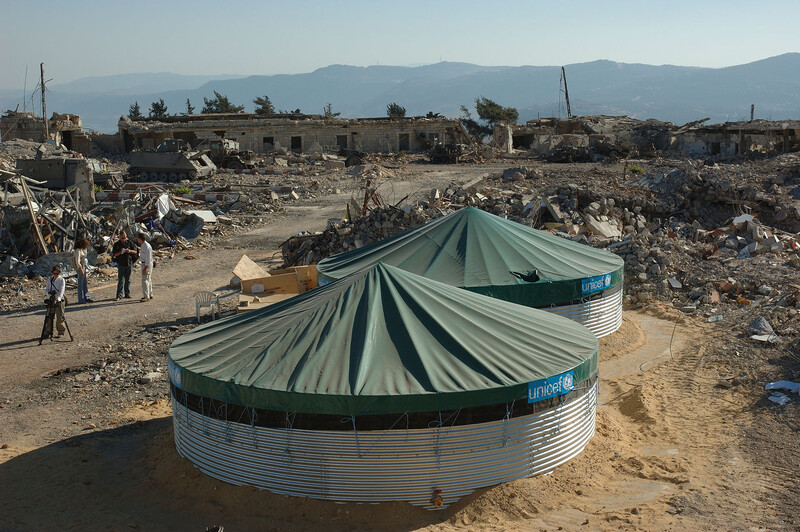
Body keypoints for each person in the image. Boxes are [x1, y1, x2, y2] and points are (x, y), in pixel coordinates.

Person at [112, 232, 138, 301]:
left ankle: (127, 293)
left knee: (128, 279)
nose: (123, 239)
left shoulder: (130, 243)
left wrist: (129, 251)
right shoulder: (117, 244)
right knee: (121, 280)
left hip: (129, 263)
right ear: (119, 237)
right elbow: (114, 254)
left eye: (125, 238)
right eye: (122, 238)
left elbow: (135, 251)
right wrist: (121, 252)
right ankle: (119, 295)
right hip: (121, 264)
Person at [44, 265, 66, 337]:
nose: (56, 275)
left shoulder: (61, 280)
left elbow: (61, 291)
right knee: (49, 316)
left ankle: (61, 331)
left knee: (60, 316)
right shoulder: (49, 280)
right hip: (51, 299)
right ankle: (48, 331)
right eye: (54, 273)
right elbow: (46, 289)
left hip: (59, 299)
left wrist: (58, 299)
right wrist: (49, 294)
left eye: (57, 273)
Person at [73, 237, 93, 304]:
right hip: (80, 268)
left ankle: (86, 297)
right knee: (80, 284)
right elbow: (77, 262)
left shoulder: (81, 250)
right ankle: (80, 299)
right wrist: (81, 270)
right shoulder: (78, 251)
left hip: (83, 267)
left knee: (84, 283)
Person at [137, 233, 153, 302]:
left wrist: (146, 268)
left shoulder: (147, 246)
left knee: (145, 280)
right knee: (148, 279)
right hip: (145, 264)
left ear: (140, 239)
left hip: (146, 265)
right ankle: (150, 294)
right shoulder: (143, 245)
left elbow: (148, 258)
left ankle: (146, 296)